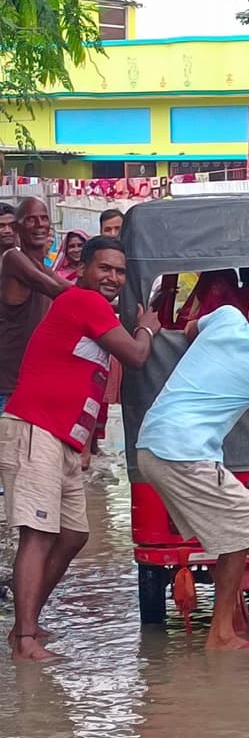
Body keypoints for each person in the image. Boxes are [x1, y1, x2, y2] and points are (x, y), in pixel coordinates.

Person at [136, 284, 249, 676]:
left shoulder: (225, 317)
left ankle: (220, 633)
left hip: (153, 444)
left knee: (235, 542)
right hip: (186, 454)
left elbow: (189, 332)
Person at [0, 237, 160, 660]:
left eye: (120, 272)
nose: (113, 278)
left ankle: (24, 627)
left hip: (63, 437)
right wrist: (147, 326)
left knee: (73, 534)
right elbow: (138, 356)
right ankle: (26, 640)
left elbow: (85, 382)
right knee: (37, 535)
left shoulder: (93, 311)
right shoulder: (82, 301)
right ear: (84, 269)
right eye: (105, 268)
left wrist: (85, 441)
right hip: (36, 428)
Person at [0, 197, 71, 414]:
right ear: (19, 227)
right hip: (9, 382)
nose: (40, 225)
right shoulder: (13, 258)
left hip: (27, 380)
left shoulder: (37, 264)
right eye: (31, 220)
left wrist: (119, 304)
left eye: (43, 219)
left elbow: (73, 291)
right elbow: (59, 292)